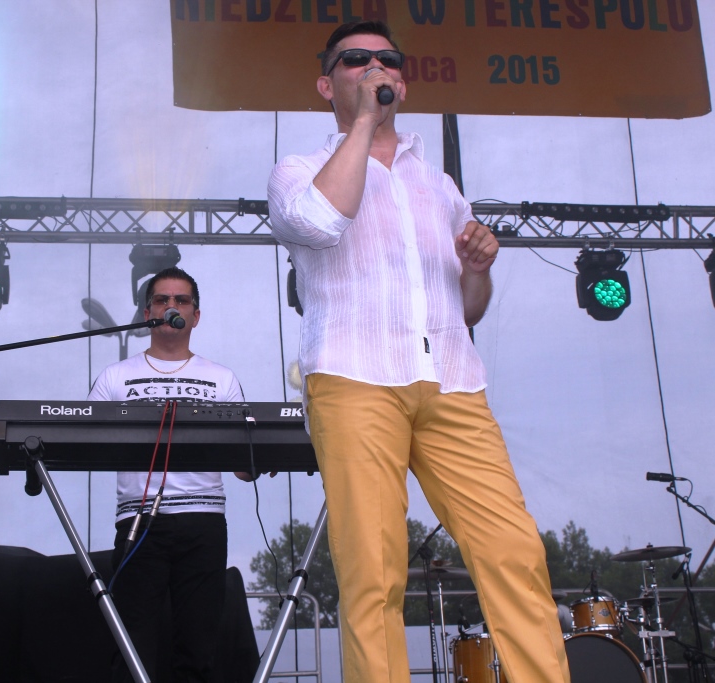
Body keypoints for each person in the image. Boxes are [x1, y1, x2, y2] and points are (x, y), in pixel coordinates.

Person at [266, 20, 571, 683]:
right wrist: (364, 125)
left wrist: (478, 268)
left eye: (389, 60)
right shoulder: (298, 171)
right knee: (373, 573)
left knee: (514, 552)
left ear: (403, 83)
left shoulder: (440, 186)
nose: (376, 68)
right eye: (356, 60)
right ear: (326, 85)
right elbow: (319, 222)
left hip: (453, 381)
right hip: (354, 378)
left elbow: (468, 308)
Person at [88, 266, 247, 683]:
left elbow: (243, 466)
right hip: (138, 522)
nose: (171, 306)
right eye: (162, 300)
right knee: (130, 646)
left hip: (203, 522)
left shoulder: (222, 378)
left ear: (196, 316)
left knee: (198, 647)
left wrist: (260, 455)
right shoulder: (115, 377)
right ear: (147, 314)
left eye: (181, 300)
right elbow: (86, 443)